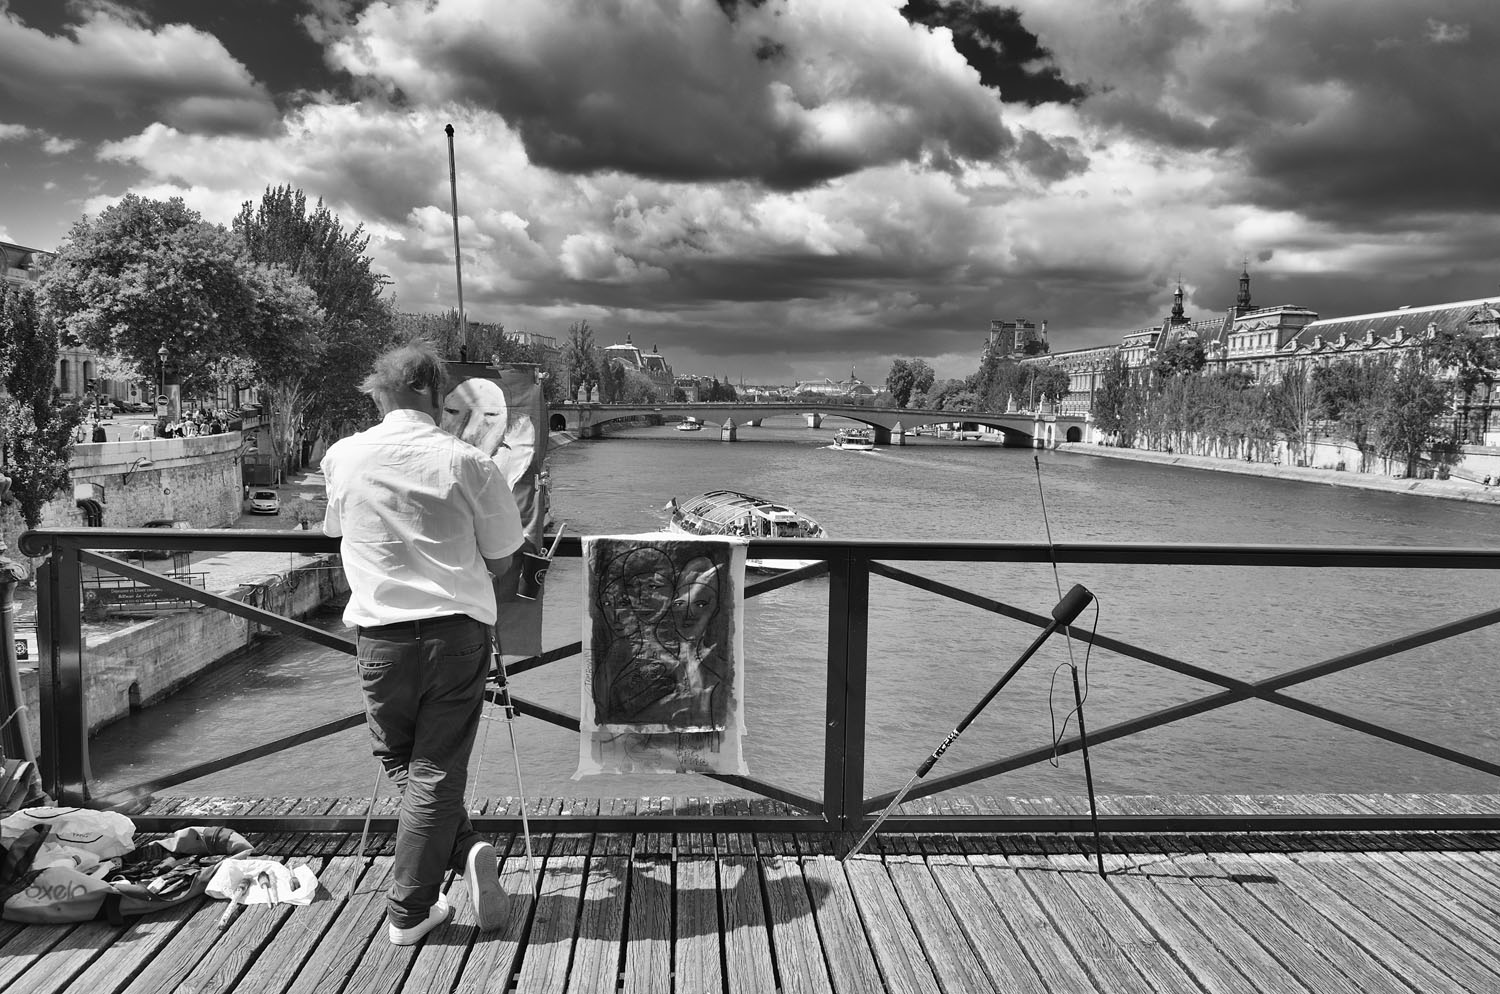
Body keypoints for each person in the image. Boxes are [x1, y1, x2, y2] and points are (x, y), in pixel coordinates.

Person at [321, 341, 524, 946]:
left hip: (380, 637)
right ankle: (451, 864)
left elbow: (336, 528)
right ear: (439, 395)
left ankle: (414, 903)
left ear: (380, 394)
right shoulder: (468, 462)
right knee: (434, 766)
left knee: (399, 758)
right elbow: (504, 554)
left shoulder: (344, 457)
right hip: (456, 634)